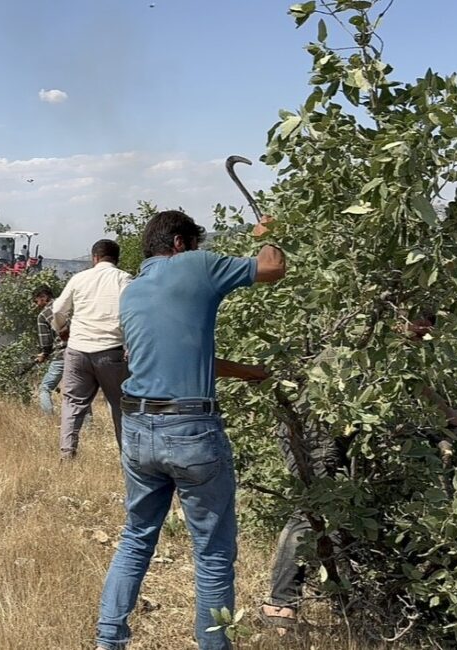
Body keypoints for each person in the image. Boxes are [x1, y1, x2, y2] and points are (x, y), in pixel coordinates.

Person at [94, 210, 287, 650]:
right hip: (191, 431)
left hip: (139, 428)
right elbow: (273, 268)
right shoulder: (195, 266)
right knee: (214, 552)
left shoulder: (133, 290)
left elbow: (184, 355)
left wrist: (249, 372)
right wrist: (270, 232)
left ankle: (108, 640)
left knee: (136, 537)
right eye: (196, 244)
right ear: (181, 243)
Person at [258, 310, 457, 632]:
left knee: (333, 515)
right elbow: (412, 385)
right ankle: (280, 603)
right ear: (400, 315)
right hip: (313, 432)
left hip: (333, 434)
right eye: (421, 321)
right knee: (311, 512)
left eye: (431, 325)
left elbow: (408, 387)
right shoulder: (372, 336)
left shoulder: (392, 346)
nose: (425, 331)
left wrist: (442, 420)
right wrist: (446, 415)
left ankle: (338, 599)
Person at [50, 239, 132, 459]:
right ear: (117, 258)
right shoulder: (124, 279)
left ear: (94, 257)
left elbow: (57, 309)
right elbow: (132, 315)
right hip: (111, 351)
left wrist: (62, 330)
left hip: (77, 350)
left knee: (72, 404)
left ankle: (67, 455)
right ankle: (128, 458)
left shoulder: (79, 278)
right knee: (120, 405)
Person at [33, 285, 67, 415]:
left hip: (63, 354)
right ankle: (88, 426)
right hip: (83, 351)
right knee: (79, 391)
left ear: (44, 298)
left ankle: (49, 420)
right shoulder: (67, 305)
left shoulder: (43, 315)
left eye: (36, 301)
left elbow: (46, 343)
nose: (37, 305)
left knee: (44, 388)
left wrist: (43, 354)